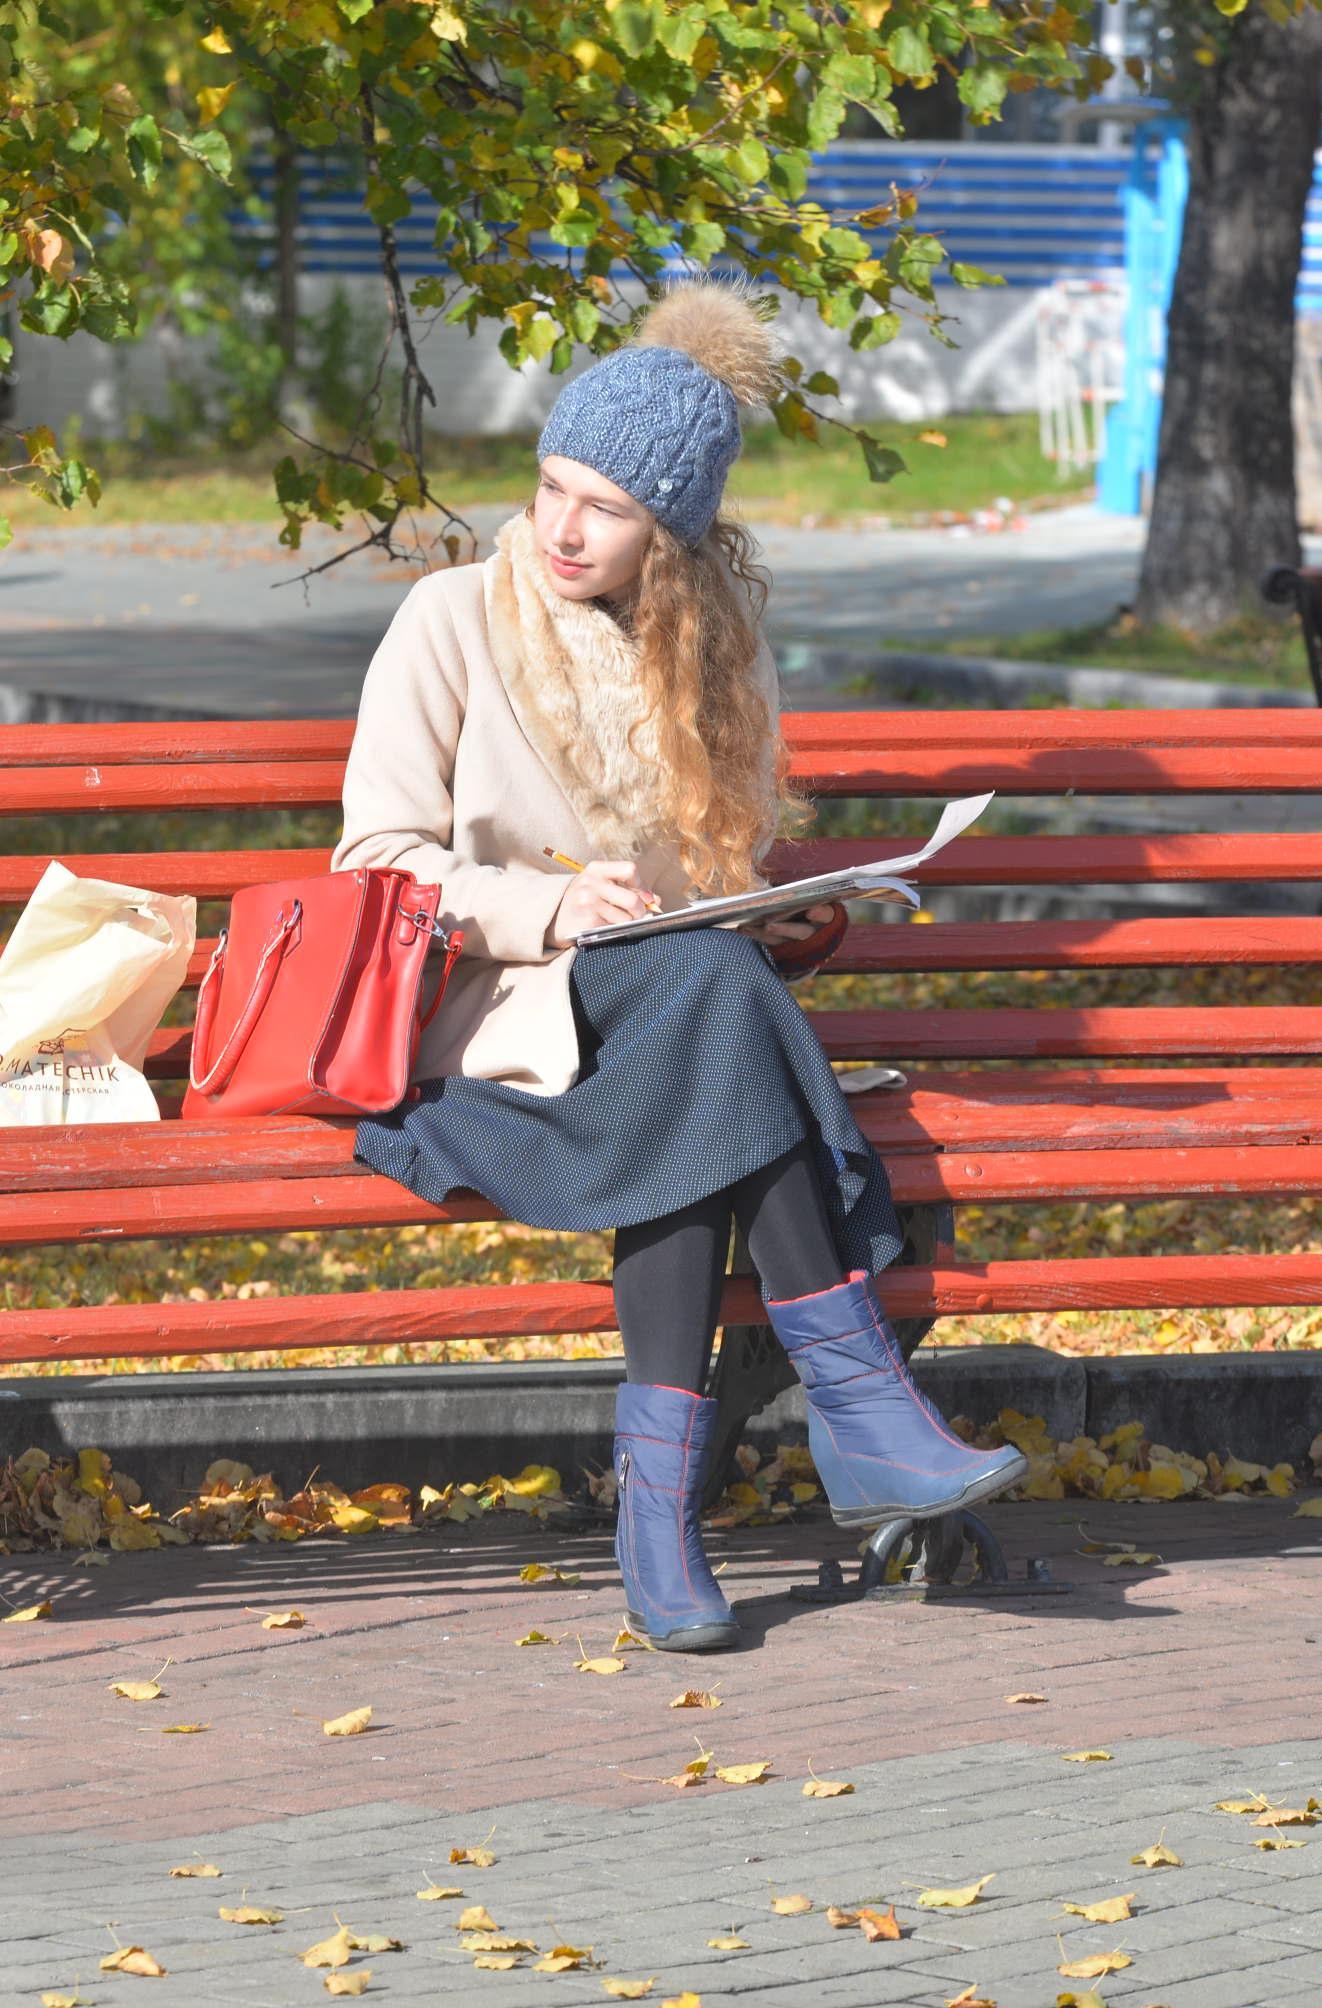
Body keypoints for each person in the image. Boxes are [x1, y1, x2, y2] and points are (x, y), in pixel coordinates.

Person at [332, 282, 1026, 1654]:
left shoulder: (715, 654)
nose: (562, 528)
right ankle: (860, 1410)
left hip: (662, 1030)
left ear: (675, 531)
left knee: (708, 1026)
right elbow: (375, 864)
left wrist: (770, 912)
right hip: (496, 1030)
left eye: (607, 508)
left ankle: (663, 1524)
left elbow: (726, 869)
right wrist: (544, 905)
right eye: (549, 487)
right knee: (714, 1019)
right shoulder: (450, 620)